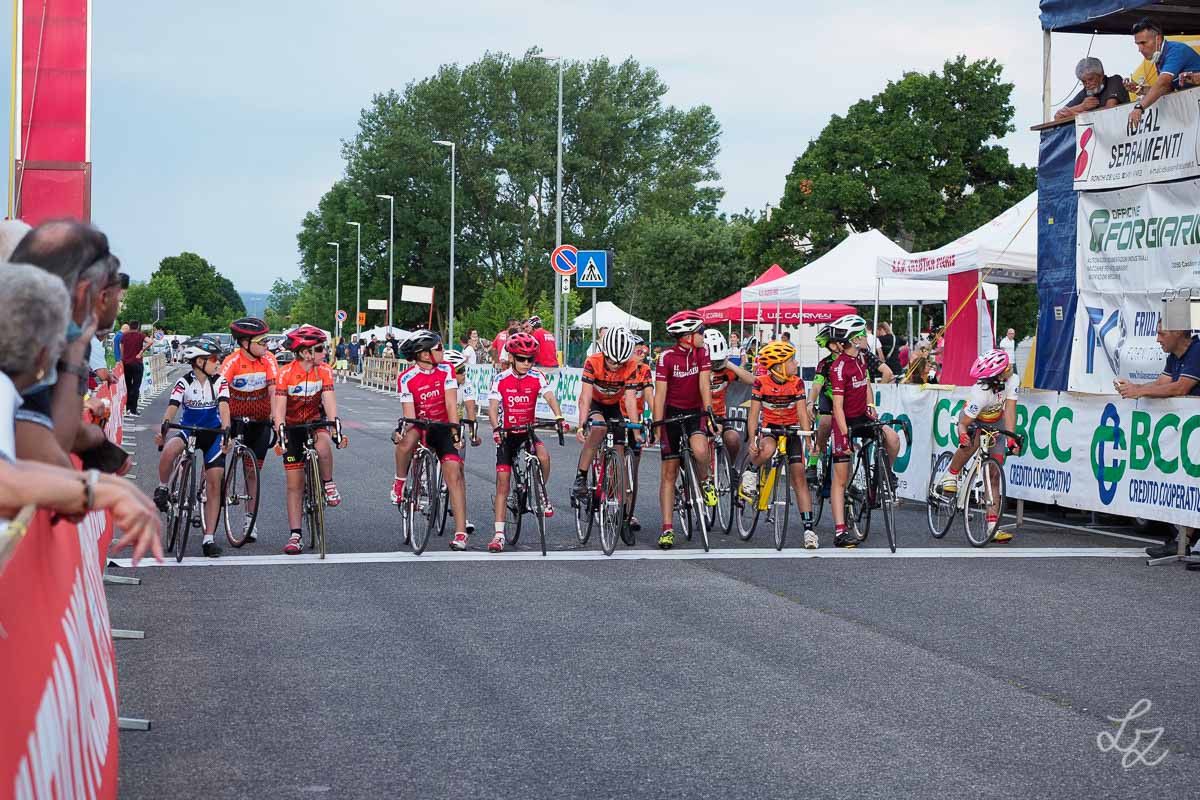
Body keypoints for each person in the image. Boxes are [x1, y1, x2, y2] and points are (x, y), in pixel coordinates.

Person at [392, 330, 472, 550]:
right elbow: (409, 414)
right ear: (424, 354)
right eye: (439, 348)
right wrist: (402, 431)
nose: (443, 351)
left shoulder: (446, 369)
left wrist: (455, 432)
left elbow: (451, 403)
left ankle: (460, 533)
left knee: (454, 474)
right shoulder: (406, 378)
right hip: (419, 424)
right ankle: (399, 482)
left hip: (443, 426)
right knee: (406, 443)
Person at [273, 325, 348, 555]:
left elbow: (329, 400)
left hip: (315, 421)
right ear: (306, 353)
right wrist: (280, 433)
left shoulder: (324, 370)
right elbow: (279, 409)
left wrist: (335, 428)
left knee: (323, 445)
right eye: (320, 349)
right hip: (292, 426)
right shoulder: (285, 373)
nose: (325, 352)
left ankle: (328, 483)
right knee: (294, 484)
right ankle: (295, 535)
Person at [487, 333, 566, 552]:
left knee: (544, 457)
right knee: (503, 481)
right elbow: (493, 408)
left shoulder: (537, 376)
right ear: (512, 358)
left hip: (527, 431)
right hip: (507, 433)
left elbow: (550, 397)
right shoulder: (501, 379)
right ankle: (499, 535)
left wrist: (559, 416)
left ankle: (540, 491)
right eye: (521, 359)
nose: (526, 363)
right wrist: (496, 428)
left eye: (530, 359)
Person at [153, 338, 231, 558]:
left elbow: (224, 407)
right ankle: (163, 488)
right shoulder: (184, 382)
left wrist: (227, 431)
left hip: (213, 434)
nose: (218, 362)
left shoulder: (220, 381)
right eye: (213, 359)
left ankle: (209, 539)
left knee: (214, 482)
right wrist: (163, 430)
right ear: (199, 361)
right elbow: (172, 407)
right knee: (169, 450)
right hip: (189, 430)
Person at [828, 314, 900, 548]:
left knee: (892, 438)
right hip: (844, 420)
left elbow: (867, 384)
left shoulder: (862, 357)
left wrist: (871, 406)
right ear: (853, 339)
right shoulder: (839, 367)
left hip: (862, 415)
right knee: (841, 477)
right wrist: (845, 435)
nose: (865, 338)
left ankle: (881, 478)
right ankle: (840, 531)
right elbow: (837, 407)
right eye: (861, 335)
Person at [937, 349, 1021, 543]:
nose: (1010, 369)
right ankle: (951, 474)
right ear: (995, 377)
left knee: (994, 475)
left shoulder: (1013, 379)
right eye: (1006, 368)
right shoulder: (980, 393)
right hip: (973, 420)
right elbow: (963, 423)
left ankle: (992, 526)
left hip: (996, 421)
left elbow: (1010, 409)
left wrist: (1011, 437)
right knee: (971, 443)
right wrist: (963, 435)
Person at [740, 340, 818, 548]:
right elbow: (753, 414)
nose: (796, 363)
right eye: (791, 360)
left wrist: (808, 439)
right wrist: (752, 439)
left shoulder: (797, 382)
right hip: (771, 428)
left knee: (799, 476)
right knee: (768, 449)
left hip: (791, 429)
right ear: (779, 365)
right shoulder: (761, 382)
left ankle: (809, 530)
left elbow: (802, 412)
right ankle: (751, 470)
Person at [653, 310, 716, 550]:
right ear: (688, 336)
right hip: (671, 413)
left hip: (694, 411)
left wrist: (708, 414)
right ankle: (667, 528)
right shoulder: (666, 357)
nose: (703, 335)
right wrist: (657, 424)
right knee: (669, 473)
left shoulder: (702, 352)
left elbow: (704, 385)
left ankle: (706, 481)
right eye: (701, 331)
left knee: (700, 450)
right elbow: (660, 394)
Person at [220, 317, 278, 543]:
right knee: (217, 459)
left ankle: (249, 518)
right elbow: (220, 391)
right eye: (261, 341)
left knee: (252, 472)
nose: (266, 345)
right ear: (245, 343)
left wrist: (276, 418)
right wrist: (225, 425)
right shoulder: (232, 361)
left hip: (259, 420)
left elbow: (274, 390)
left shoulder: (269, 359)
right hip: (234, 419)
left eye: (267, 340)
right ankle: (208, 490)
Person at [573, 326, 640, 503]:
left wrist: (636, 431)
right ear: (604, 353)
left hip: (613, 405)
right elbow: (585, 396)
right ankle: (581, 477)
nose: (615, 366)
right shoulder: (592, 361)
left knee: (619, 447)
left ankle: (616, 501)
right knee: (599, 428)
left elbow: (630, 399)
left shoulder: (631, 365)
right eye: (611, 361)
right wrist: (581, 426)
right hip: (594, 403)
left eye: (620, 363)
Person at [1126, 18, 1200, 130]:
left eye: (1143, 43)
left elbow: (1163, 83)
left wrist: (1139, 107)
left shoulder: (1175, 51)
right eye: (1137, 44)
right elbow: (1166, 89)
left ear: (1158, 39)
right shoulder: (1159, 56)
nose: (1140, 49)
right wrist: (1139, 89)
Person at [703, 329, 755, 480]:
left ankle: (730, 468)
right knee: (701, 448)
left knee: (733, 438)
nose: (715, 366)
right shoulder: (698, 370)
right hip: (700, 415)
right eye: (712, 362)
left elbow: (752, 380)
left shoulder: (726, 370)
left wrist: (729, 364)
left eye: (717, 362)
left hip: (719, 415)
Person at [1116, 323, 1200, 398]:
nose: (1158, 339)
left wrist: (1138, 391)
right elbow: (1160, 384)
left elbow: (1180, 389)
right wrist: (1134, 387)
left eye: (1162, 334)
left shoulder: (1197, 350)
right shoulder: (1174, 356)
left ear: (1178, 332)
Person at [624, 334, 656, 529]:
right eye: (638, 350)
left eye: (644, 350)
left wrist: (657, 419)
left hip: (635, 420)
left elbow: (650, 396)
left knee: (632, 471)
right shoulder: (620, 367)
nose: (642, 353)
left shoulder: (644, 370)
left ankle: (629, 513)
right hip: (618, 416)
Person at [805, 325, 842, 482]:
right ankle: (813, 462)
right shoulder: (825, 363)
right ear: (832, 346)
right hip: (829, 397)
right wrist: (810, 402)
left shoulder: (853, 359)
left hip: (847, 400)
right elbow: (816, 386)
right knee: (825, 423)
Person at [1054, 57, 1128, 121]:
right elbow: (1058, 116)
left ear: (1101, 75)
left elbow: (1109, 110)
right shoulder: (1084, 92)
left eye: (1090, 79)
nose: (1087, 84)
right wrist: (1082, 107)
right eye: (1083, 81)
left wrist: (1075, 114)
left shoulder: (1114, 81)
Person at [120, 321, 151, 416]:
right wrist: (141, 352)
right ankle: (134, 409)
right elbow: (150, 342)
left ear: (129, 327)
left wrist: (122, 360)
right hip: (137, 363)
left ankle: (128, 408)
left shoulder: (124, 336)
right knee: (136, 386)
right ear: (138, 327)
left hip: (126, 363)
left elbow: (122, 349)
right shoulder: (140, 335)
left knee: (128, 386)